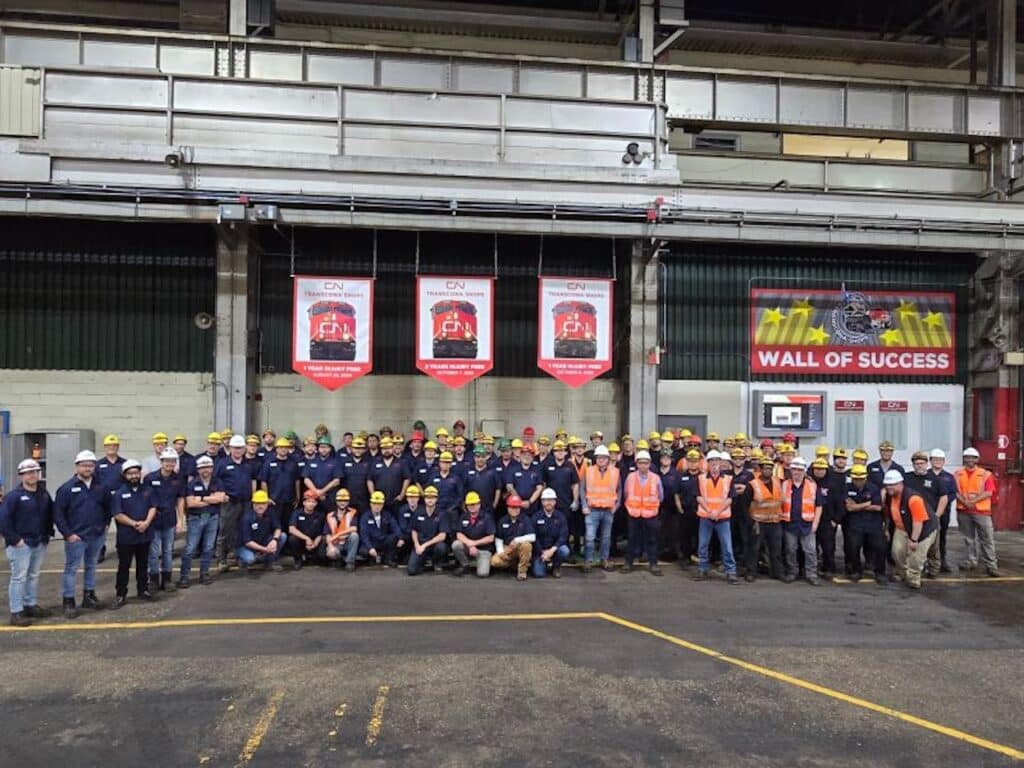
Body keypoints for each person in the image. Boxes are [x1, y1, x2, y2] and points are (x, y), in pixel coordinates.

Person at [54, 450, 110, 618]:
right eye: (84, 465)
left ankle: (89, 596)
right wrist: (68, 534)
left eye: (90, 465)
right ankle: (68, 601)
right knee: (71, 569)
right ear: (77, 466)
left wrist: (105, 526)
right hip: (76, 537)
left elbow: (108, 508)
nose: (87, 468)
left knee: (91, 566)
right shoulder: (66, 488)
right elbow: (58, 514)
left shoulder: (101, 487)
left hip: (96, 535)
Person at [0, 458, 54, 626]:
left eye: (35, 472)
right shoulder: (13, 497)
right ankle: (16, 612)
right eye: (28, 473)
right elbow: (3, 520)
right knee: (19, 578)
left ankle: (30, 605)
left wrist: (47, 534)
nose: (32, 475)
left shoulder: (43, 494)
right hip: (21, 545)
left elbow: (50, 514)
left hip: (39, 542)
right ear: (21, 475)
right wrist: (15, 540)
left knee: (33, 575)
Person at [109, 459, 155, 609]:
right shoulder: (119, 493)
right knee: (124, 566)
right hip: (126, 537)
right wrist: (135, 524)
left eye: (136, 473)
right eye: (130, 473)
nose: (134, 476)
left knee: (143, 565)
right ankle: (120, 594)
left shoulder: (148, 490)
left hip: (144, 535)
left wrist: (146, 523)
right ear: (124, 475)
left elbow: (153, 507)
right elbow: (118, 514)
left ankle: (143, 590)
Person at [883, 470, 938, 590]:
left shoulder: (913, 499)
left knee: (916, 557)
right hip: (902, 528)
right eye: (887, 485)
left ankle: (914, 578)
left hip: (923, 530)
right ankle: (903, 573)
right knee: (897, 552)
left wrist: (913, 540)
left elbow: (918, 522)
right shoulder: (890, 495)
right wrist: (886, 529)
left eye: (892, 484)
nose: (889, 487)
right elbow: (888, 513)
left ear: (900, 483)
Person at [179, 454, 225, 588]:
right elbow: (190, 503)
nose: (205, 470)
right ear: (198, 469)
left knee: (209, 547)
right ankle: (184, 577)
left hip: (213, 517)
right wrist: (211, 498)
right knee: (190, 548)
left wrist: (201, 498)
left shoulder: (218, 482)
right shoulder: (192, 483)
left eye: (208, 467)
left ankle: (204, 574)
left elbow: (221, 498)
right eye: (202, 468)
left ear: (212, 468)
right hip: (195, 518)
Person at [144, 448, 186, 592]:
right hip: (154, 520)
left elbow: (180, 500)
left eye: (173, 461)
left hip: (169, 519)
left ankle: (167, 579)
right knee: (154, 552)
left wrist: (180, 521)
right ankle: (153, 579)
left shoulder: (178, 479)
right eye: (167, 461)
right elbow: (145, 500)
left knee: (168, 551)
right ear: (161, 462)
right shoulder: (150, 478)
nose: (170, 464)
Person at [215, 434, 258, 572]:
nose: (237, 450)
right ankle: (221, 559)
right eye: (235, 448)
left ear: (244, 449)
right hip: (230, 503)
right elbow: (215, 481)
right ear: (231, 448)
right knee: (225, 530)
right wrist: (222, 494)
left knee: (242, 530)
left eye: (240, 448)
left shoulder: (248, 464)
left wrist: (253, 498)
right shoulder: (222, 463)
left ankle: (237, 556)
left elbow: (253, 481)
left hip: (245, 503)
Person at [694, 451, 738, 584]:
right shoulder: (700, 478)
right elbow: (698, 497)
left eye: (716, 460)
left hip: (722, 518)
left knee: (727, 546)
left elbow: (730, 498)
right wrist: (710, 511)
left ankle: (731, 572)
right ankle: (702, 569)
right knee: (703, 545)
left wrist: (717, 512)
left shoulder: (728, 479)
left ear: (720, 462)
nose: (714, 463)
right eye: (711, 461)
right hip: (705, 517)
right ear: (707, 463)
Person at [955, 447, 999, 576]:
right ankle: (971, 561)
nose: (970, 460)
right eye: (967, 457)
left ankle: (991, 565)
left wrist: (972, 502)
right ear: (964, 459)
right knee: (968, 538)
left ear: (977, 459)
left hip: (982, 511)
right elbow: (955, 491)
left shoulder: (985, 474)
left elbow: (989, 492)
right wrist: (965, 502)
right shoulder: (957, 474)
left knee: (987, 539)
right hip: (964, 511)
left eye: (972, 457)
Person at [902, 450, 946, 579]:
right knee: (912, 544)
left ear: (927, 464)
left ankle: (933, 569)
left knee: (933, 547)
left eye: (922, 463)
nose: (919, 466)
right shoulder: (907, 478)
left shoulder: (935, 479)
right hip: (913, 519)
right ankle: (912, 569)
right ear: (913, 465)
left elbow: (944, 497)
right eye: (917, 464)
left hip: (931, 519)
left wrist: (937, 515)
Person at [781, 457, 824, 586]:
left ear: (804, 471)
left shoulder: (812, 486)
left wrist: (815, 523)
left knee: (810, 550)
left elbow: (819, 506)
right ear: (791, 470)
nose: (797, 472)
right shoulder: (784, 485)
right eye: (794, 469)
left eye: (799, 470)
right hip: (790, 523)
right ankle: (792, 572)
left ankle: (811, 574)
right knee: (790, 550)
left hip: (807, 524)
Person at [621, 450, 663, 575]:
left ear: (649, 464)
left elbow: (661, 496)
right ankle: (628, 563)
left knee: (652, 540)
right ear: (637, 464)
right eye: (640, 463)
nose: (643, 465)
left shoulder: (655, 478)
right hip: (634, 514)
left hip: (650, 514)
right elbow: (626, 494)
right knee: (632, 539)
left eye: (645, 463)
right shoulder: (630, 477)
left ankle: (653, 564)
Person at [843, 464, 886, 585]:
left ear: (865, 478)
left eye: (861, 479)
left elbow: (878, 507)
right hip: (855, 524)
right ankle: (856, 571)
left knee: (880, 548)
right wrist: (867, 504)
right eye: (855, 479)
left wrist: (857, 506)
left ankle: (880, 573)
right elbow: (849, 507)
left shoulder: (873, 488)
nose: (858, 481)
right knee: (853, 548)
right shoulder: (847, 488)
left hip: (873, 523)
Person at [580, 445, 620, 573]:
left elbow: (619, 490)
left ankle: (604, 559)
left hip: (608, 510)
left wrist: (616, 505)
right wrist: (584, 505)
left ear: (608, 459)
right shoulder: (588, 471)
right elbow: (582, 489)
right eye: (599, 457)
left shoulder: (615, 471)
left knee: (606, 538)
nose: (601, 459)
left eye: (604, 457)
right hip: (592, 510)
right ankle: (588, 561)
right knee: (589, 538)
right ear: (595, 459)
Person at [747, 457, 784, 581]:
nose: (767, 470)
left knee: (776, 550)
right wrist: (751, 522)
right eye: (765, 468)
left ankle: (777, 573)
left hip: (775, 522)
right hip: (758, 522)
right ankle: (751, 572)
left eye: (770, 468)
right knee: (754, 549)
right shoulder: (753, 484)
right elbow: (745, 505)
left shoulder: (778, 482)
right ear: (760, 469)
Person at [237, 490, 285, 573]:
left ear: (267, 504)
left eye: (263, 503)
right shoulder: (246, 518)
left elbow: (278, 528)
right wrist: (265, 550)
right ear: (253, 504)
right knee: (250, 559)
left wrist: (274, 540)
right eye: (257, 503)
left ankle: (269, 561)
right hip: (246, 546)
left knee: (283, 536)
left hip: (262, 542)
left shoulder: (270, 513)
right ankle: (242, 559)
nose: (260, 506)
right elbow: (247, 542)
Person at [491, 494, 535, 581]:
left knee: (527, 545)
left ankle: (522, 572)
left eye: (516, 507)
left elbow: (532, 537)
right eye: (512, 507)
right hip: (507, 548)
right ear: (508, 508)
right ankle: (514, 564)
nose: (514, 509)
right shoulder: (503, 520)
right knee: (494, 562)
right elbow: (498, 538)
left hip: (519, 547)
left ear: (520, 508)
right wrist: (501, 552)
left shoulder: (525, 519)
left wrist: (517, 540)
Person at [451, 491, 496, 577]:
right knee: (456, 545)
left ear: (479, 504)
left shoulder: (487, 517)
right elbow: (459, 534)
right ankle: (465, 565)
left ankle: (478, 562)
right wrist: (470, 544)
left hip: (484, 550)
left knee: (483, 574)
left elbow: (491, 537)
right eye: (469, 504)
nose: (472, 506)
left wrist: (474, 543)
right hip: (468, 547)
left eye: (474, 504)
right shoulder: (464, 516)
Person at [928, 449, 958, 574]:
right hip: (928, 511)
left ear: (944, 461)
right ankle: (926, 561)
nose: (938, 462)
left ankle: (942, 561)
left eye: (940, 460)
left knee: (942, 537)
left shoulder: (949, 477)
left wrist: (942, 503)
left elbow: (953, 493)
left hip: (944, 512)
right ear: (930, 461)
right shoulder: (925, 475)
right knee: (926, 536)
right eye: (935, 459)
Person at [260, 437, 301, 528]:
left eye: (285, 447)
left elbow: (297, 480)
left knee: (287, 525)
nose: (283, 449)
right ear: (276, 449)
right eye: (281, 447)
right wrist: (266, 498)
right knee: (274, 526)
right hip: (274, 501)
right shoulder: (268, 463)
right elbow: (264, 481)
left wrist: (298, 496)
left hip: (289, 501)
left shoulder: (293, 463)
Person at [407, 485, 448, 576]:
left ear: (436, 499)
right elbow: (414, 530)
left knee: (441, 547)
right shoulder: (418, 512)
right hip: (420, 545)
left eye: (432, 497)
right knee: (411, 571)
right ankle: (423, 562)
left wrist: (425, 545)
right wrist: (417, 545)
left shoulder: (442, 513)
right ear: (424, 499)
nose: (430, 500)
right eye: (428, 497)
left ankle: (436, 562)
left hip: (433, 545)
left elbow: (442, 536)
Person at [532, 488, 569, 578]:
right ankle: (543, 563)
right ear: (542, 502)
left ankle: (556, 567)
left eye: (551, 500)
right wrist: (542, 552)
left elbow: (563, 536)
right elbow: (534, 537)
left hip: (554, 550)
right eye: (546, 500)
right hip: (540, 552)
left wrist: (552, 550)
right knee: (539, 574)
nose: (549, 503)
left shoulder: (561, 516)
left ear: (555, 502)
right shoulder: (536, 517)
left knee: (564, 550)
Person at [809, 457, 836, 580]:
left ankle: (829, 569)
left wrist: (836, 519)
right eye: (817, 469)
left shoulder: (832, 483)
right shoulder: (808, 482)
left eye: (822, 469)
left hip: (827, 520)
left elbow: (839, 502)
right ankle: (811, 569)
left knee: (828, 547)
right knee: (810, 547)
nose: (819, 471)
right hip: (810, 519)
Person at [284, 490, 325, 569]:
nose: (310, 504)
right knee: (292, 539)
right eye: (308, 501)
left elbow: (320, 533)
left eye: (313, 502)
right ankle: (298, 560)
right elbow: (291, 529)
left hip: (314, 541)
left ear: (316, 504)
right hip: (302, 540)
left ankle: (313, 558)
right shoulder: (297, 513)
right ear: (304, 503)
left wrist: (315, 544)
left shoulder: (320, 515)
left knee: (322, 551)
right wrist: (306, 538)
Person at [358, 490, 400, 567]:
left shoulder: (387, 515)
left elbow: (395, 527)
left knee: (393, 537)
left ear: (383, 505)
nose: (377, 506)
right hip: (371, 542)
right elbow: (364, 535)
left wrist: (400, 538)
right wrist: (370, 548)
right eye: (374, 504)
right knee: (363, 551)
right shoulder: (365, 517)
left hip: (383, 541)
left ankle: (387, 559)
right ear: (370, 504)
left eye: (379, 504)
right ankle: (372, 559)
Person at [675, 449, 702, 569]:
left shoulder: (703, 477)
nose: (692, 463)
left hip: (699, 510)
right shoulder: (681, 476)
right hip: (685, 510)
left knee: (698, 535)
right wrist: (678, 506)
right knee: (684, 536)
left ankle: (697, 556)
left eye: (695, 461)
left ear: (699, 462)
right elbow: (676, 493)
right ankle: (685, 558)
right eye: (690, 461)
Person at [303, 437, 344, 514]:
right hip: (313, 498)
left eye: (326, 447)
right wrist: (317, 492)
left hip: (330, 498)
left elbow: (337, 481)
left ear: (330, 449)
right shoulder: (311, 461)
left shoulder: (336, 462)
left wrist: (322, 491)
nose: (324, 449)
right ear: (318, 449)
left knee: (330, 518)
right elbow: (306, 479)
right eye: (321, 447)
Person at [323, 488, 359, 571]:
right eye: (340, 500)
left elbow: (354, 528)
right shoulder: (330, 515)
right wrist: (330, 546)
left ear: (348, 502)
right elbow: (327, 533)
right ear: (336, 501)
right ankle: (340, 559)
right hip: (336, 544)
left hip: (347, 542)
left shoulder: (352, 512)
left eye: (345, 501)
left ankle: (350, 562)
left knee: (354, 536)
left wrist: (337, 535)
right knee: (331, 553)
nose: (343, 503)